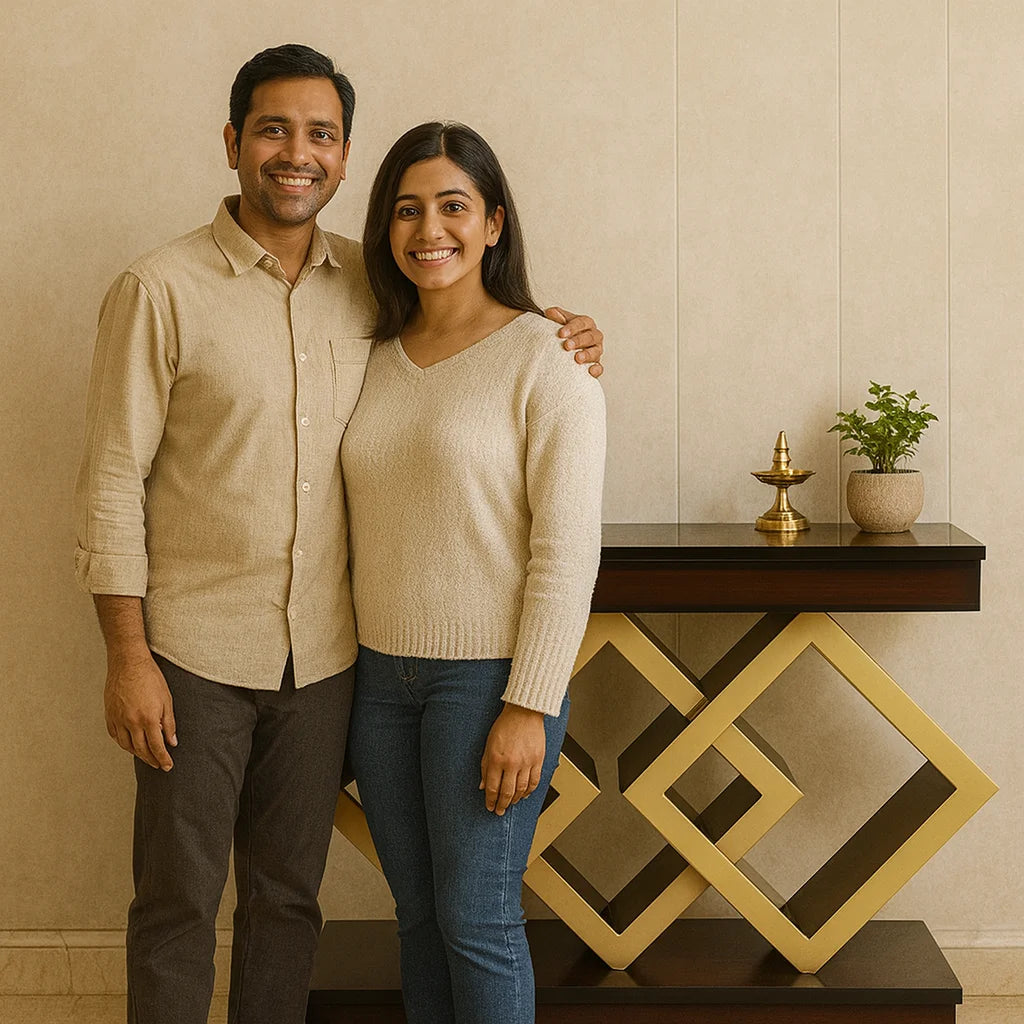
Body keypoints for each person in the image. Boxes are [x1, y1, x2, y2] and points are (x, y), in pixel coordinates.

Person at [73, 45, 604, 1024]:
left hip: (325, 668)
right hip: (194, 653)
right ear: (234, 142)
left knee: (296, 904)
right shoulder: (163, 289)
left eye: (319, 134)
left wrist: (566, 332)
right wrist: (127, 655)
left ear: (344, 155)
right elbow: (111, 477)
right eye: (273, 129)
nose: (295, 152)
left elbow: (549, 506)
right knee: (179, 904)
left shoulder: (379, 288)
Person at [342, 121, 605, 1024]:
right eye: (407, 210)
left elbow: (566, 550)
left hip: (487, 683)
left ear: (494, 222)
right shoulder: (366, 353)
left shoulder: (550, 356)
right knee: (418, 920)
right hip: (378, 680)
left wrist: (527, 705)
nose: (429, 230)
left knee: (478, 921)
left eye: (454, 207)